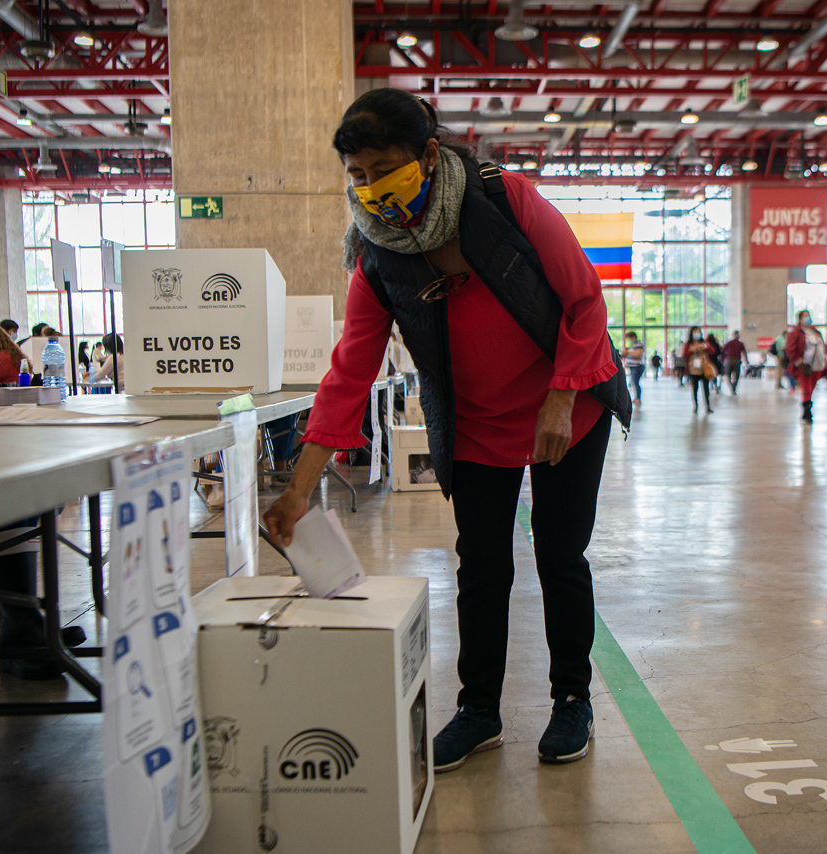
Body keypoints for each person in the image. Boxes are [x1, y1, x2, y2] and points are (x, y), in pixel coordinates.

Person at [263, 88, 630, 772]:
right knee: (483, 566)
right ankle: (478, 711)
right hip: (480, 425)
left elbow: (585, 301)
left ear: (429, 155)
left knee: (559, 557)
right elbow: (348, 374)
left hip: (567, 409)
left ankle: (571, 700)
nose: (371, 188)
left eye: (382, 168)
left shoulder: (506, 201)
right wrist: (298, 490)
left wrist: (561, 395)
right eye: (357, 176)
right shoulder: (376, 257)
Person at [786, 310, 827, 422]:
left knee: (812, 386)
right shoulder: (795, 333)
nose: (808, 318)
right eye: (805, 316)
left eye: (808, 316)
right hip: (804, 365)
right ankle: (807, 410)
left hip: (817, 364)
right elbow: (790, 349)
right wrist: (798, 361)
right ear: (800, 319)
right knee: (806, 387)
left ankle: (807, 406)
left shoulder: (815, 332)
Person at [682, 326, 714, 415]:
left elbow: (712, 350)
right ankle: (695, 406)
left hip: (704, 369)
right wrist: (693, 350)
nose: (697, 334)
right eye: (695, 332)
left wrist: (704, 347)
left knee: (706, 388)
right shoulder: (688, 344)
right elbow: (684, 354)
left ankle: (708, 406)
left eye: (698, 332)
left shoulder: (704, 342)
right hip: (693, 369)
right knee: (695, 388)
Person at [620, 331, 645, 406]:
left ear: (633, 337)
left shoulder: (638, 344)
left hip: (637, 366)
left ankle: (638, 398)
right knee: (634, 382)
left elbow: (638, 355)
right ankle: (636, 398)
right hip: (632, 367)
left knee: (635, 382)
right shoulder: (632, 345)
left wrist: (628, 353)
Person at [721, 330, 748, 395]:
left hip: (732, 360)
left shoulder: (732, 343)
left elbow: (722, 351)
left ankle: (732, 387)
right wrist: (746, 360)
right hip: (734, 360)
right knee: (733, 375)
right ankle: (733, 387)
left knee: (731, 375)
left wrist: (723, 359)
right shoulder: (737, 343)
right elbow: (744, 353)